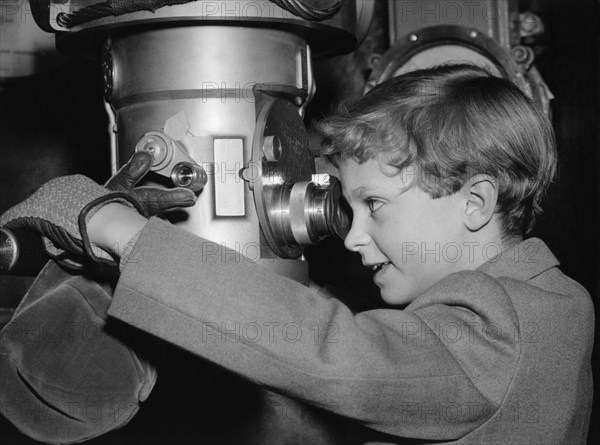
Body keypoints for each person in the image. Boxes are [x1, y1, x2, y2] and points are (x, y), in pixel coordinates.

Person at [0, 64, 594, 444]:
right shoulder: (544, 306)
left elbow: (337, 356)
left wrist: (122, 232)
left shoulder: (506, 329)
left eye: (376, 205)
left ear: (475, 202)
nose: (353, 237)